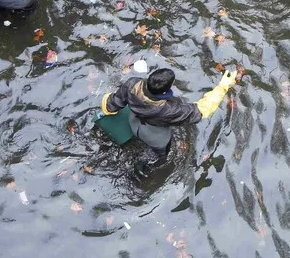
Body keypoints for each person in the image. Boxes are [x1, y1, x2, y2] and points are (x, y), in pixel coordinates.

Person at [99, 67, 238, 176]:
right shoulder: (170, 110)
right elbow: (203, 109)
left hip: (134, 123)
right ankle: (148, 166)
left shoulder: (132, 84)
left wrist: (106, 109)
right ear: (165, 92)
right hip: (155, 137)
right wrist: (223, 86)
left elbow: (112, 104)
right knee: (162, 155)